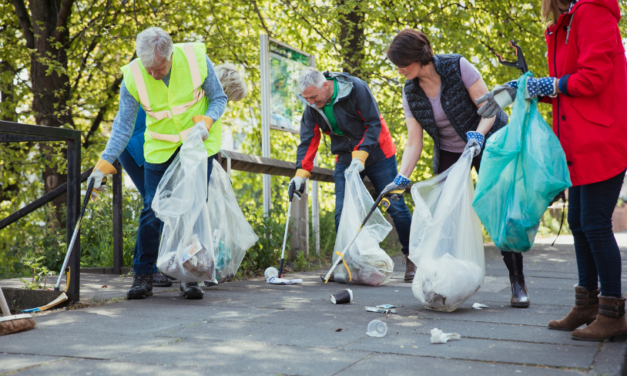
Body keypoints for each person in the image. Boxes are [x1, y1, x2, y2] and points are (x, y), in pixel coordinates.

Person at [477, 0, 627, 341]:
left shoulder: (592, 12)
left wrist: (541, 86)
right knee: (578, 222)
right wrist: (520, 89)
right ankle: (587, 304)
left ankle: (612, 313)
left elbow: (592, 79)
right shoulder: (566, 22)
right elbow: (566, 87)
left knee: (594, 223)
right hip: (580, 140)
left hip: (603, 137)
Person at [382, 29, 533, 308]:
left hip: (487, 139)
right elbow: (414, 143)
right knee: (443, 216)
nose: (400, 70)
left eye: (403, 63)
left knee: (498, 210)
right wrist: (401, 177)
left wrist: (477, 136)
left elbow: (490, 107)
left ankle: (517, 280)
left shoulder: (456, 65)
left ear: (419, 56)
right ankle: (443, 282)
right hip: (451, 152)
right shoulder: (410, 91)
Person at [88, 27, 227, 300]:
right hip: (160, 148)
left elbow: (218, 98)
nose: (153, 73)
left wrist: (207, 123)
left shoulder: (196, 58)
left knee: (194, 210)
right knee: (152, 208)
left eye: (159, 67)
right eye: (148, 67)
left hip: (198, 144)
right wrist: (103, 163)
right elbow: (123, 125)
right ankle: (143, 274)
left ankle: (190, 277)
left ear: (170, 55)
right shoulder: (132, 75)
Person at [118, 64, 248, 289]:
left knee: (168, 208)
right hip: (138, 148)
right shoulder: (192, 96)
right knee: (157, 206)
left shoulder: (197, 94)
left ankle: (178, 267)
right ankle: (155, 268)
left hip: (148, 148)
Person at [289, 68, 415, 281]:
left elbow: (373, 123)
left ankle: (412, 258)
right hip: (346, 156)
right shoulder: (311, 106)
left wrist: (362, 155)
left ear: (326, 86)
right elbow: (309, 139)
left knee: (396, 206)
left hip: (378, 152)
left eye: (313, 97)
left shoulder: (355, 88)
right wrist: (301, 173)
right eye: (306, 99)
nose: (310, 102)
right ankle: (346, 262)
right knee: (342, 211)